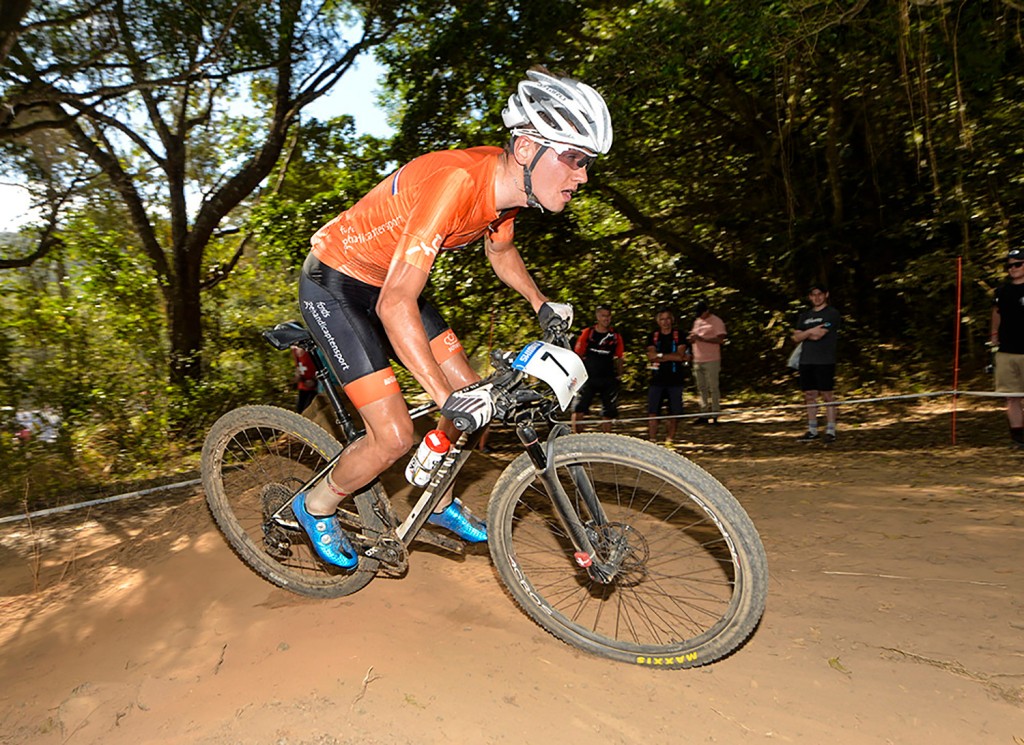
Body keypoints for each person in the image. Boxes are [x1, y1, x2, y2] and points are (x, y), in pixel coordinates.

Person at [294, 67, 613, 566]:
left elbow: (500, 252)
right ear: (528, 148)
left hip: (392, 281)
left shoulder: (510, 189)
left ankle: (436, 502)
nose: (583, 175)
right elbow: (394, 304)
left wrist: (538, 301)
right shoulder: (457, 183)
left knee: (470, 387)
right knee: (396, 434)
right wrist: (442, 396)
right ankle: (315, 506)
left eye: (586, 162)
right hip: (337, 285)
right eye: (573, 159)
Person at [791, 284, 841, 443]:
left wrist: (807, 333)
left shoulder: (831, 314)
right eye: (813, 295)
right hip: (806, 360)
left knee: (827, 395)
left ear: (826, 295)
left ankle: (831, 430)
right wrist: (810, 332)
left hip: (825, 360)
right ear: (809, 297)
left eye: (819, 294)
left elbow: (819, 335)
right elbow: (796, 337)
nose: (816, 297)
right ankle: (812, 430)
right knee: (809, 395)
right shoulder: (804, 316)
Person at [572, 305, 625, 433]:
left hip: (608, 377)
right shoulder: (588, 333)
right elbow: (577, 354)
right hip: (587, 377)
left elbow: (619, 357)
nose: (606, 319)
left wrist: (620, 374)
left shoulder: (615, 336)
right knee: (579, 409)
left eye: (608, 316)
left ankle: (606, 440)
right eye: (603, 316)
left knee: (608, 411)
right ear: (597, 317)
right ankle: (575, 438)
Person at [991, 247, 1024, 448]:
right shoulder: (1001, 291)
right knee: (1012, 397)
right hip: (1006, 351)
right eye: (1010, 265)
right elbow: (996, 312)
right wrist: (994, 334)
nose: (1013, 268)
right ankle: (1018, 436)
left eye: (1017, 264)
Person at [645, 308, 690, 442]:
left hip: (675, 379)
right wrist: (672, 356)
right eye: (662, 319)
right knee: (653, 411)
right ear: (658, 321)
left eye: (668, 319)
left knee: (673, 412)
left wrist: (660, 356)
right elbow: (651, 356)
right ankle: (652, 439)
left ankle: (669, 441)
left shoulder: (679, 335)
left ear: (672, 320)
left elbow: (681, 356)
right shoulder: (653, 336)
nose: (665, 322)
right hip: (656, 379)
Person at [688, 300, 727, 424]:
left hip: (712, 359)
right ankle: (703, 413)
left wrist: (702, 339)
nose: (699, 315)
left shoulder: (716, 321)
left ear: (707, 311)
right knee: (701, 387)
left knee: (713, 387)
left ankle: (715, 413)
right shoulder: (697, 321)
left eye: (701, 313)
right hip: (698, 359)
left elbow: (721, 340)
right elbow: (694, 336)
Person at [290, 344, 319, 413]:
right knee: (300, 409)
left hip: (315, 386)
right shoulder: (294, 351)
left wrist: (314, 380)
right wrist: (297, 377)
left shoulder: (311, 350)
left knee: (310, 409)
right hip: (303, 386)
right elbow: (298, 367)